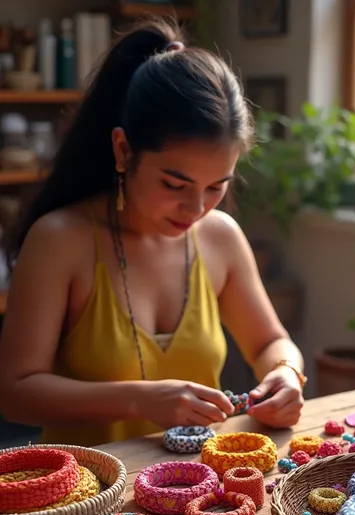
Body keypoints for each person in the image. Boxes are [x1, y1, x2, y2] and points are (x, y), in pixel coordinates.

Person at [0, 19, 305, 448]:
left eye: (217, 186)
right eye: (174, 185)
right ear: (124, 151)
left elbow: (271, 342)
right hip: (88, 494)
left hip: (198, 491)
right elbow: (16, 394)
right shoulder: (60, 241)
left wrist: (286, 373)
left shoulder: (220, 238)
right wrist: (140, 401)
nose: (197, 209)